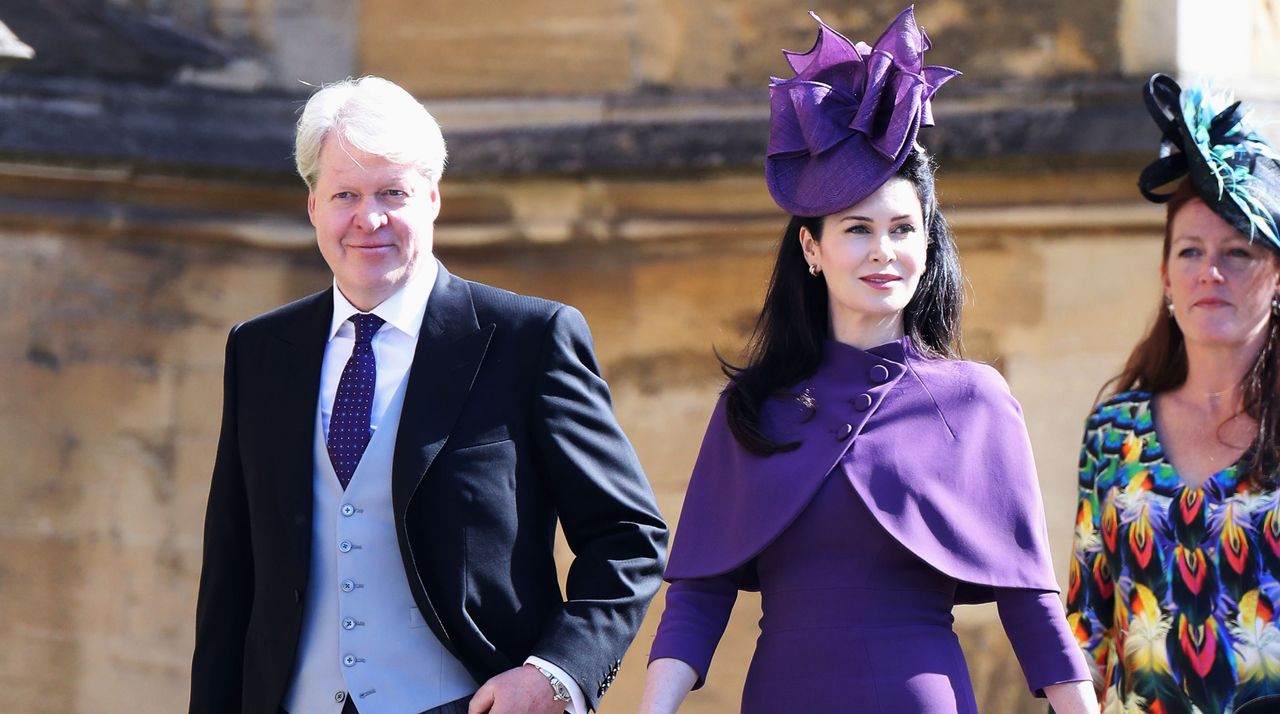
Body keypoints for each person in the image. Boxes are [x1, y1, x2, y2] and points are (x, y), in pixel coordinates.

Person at [638, 8, 1096, 714]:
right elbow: (698, 594)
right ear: (812, 251)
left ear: (926, 246)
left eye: (902, 229)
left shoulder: (976, 399)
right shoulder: (752, 409)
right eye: (857, 230)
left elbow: (1030, 601)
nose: (883, 251)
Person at [188, 76, 668, 714]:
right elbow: (231, 574)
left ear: (433, 199)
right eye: (345, 195)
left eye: (393, 192)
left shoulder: (530, 339)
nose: (370, 218)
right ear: (312, 206)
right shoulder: (259, 351)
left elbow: (628, 536)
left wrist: (555, 675)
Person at [1067, 74, 1280, 713]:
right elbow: (1086, 631)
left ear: (1277, 277)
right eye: (1190, 252)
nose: (1210, 272)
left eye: (1238, 253)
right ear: (1165, 276)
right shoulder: (1112, 433)